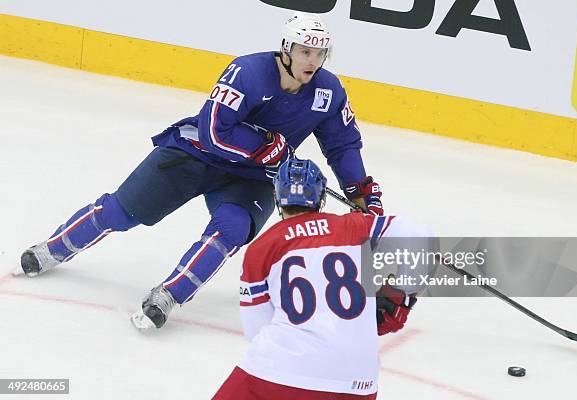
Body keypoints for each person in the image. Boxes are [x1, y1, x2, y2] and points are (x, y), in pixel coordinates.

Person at [19, 12, 384, 329]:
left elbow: (342, 145)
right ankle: (52, 249)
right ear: (286, 49)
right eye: (305, 51)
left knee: (233, 229)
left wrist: (359, 190)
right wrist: (263, 147)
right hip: (194, 155)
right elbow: (213, 132)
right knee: (122, 212)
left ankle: (168, 295)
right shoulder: (248, 72)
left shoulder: (329, 91)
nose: (313, 61)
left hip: (252, 177)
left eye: (320, 53)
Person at [213, 158, 431, 400]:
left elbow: (256, 330)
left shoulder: (262, 247)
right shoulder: (356, 226)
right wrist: (400, 295)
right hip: (359, 383)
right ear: (320, 197)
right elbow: (421, 238)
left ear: (278, 198)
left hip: (280, 376)